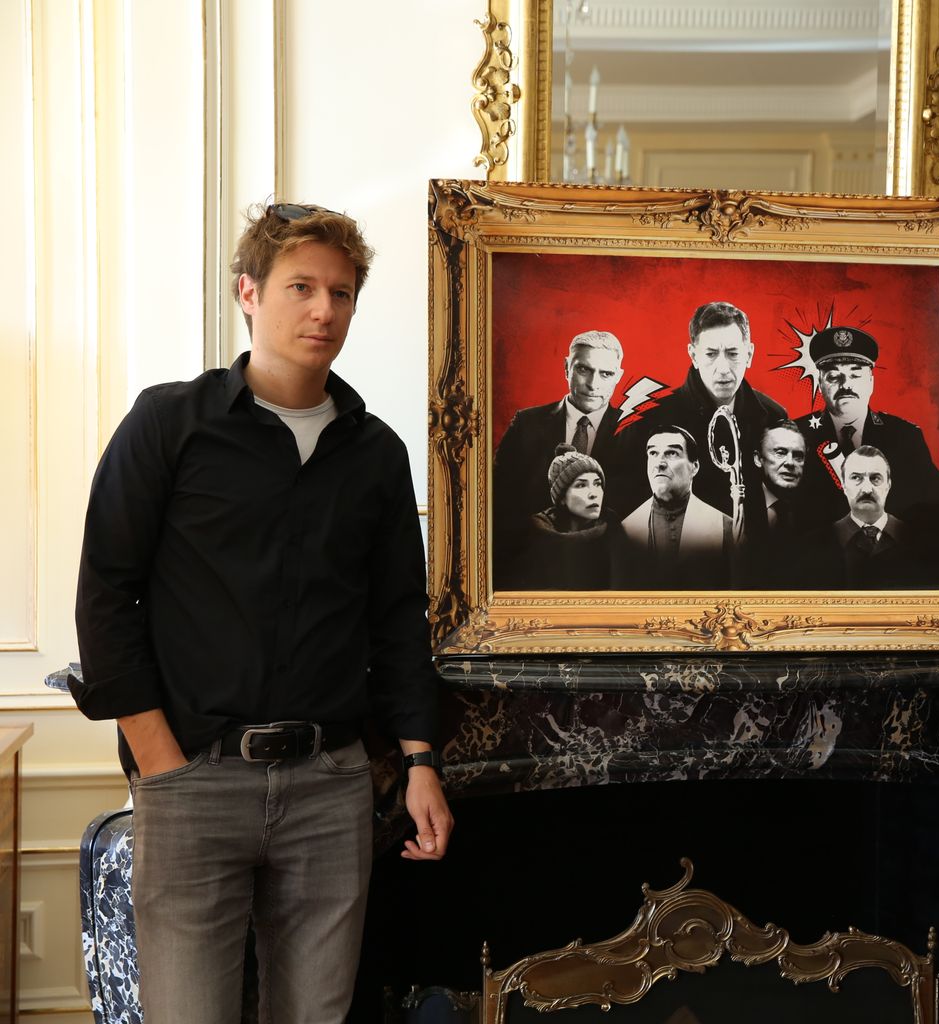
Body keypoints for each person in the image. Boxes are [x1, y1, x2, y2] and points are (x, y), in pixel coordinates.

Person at [70, 201, 453, 1023]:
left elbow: (398, 619)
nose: (324, 311)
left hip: (331, 787)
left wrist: (421, 760)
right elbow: (105, 595)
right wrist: (160, 764)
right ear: (248, 292)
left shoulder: (377, 453)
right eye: (301, 287)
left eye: (342, 293)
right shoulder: (168, 424)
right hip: (193, 780)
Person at [614, 302, 786, 519]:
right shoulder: (648, 418)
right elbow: (622, 502)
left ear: (749, 354)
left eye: (733, 353)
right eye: (711, 354)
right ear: (694, 356)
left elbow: (787, 499)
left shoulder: (774, 417)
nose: (723, 368)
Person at [493, 330, 624, 587]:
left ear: (618, 376)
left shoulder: (635, 429)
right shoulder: (526, 424)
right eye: (584, 369)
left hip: (607, 577)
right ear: (567, 368)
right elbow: (497, 502)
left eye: (606, 374)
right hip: (533, 573)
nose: (593, 384)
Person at [793, 325, 939, 528]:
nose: (845, 385)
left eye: (855, 375)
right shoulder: (794, 436)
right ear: (820, 384)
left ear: (871, 382)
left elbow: (937, 501)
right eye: (833, 377)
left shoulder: (905, 436)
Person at [612, 426, 732, 589]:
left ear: (694, 467)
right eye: (653, 453)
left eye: (672, 453)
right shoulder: (625, 530)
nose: (659, 464)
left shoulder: (726, 529)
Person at [821, 445, 935, 589]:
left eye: (875, 478)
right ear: (843, 485)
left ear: (888, 485)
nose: (867, 489)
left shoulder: (919, 542)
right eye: (856, 478)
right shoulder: (818, 545)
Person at [517, 445, 613, 589]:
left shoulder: (616, 532)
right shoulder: (535, 538)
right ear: (561, 497)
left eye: (597, 484)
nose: (594, 493)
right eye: (581, 485)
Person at [739, 420, 816, 588]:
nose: (790, 463)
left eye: (798, 456)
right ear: (758, 458)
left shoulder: (817, 515)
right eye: (780, 453)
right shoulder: (738, 509)